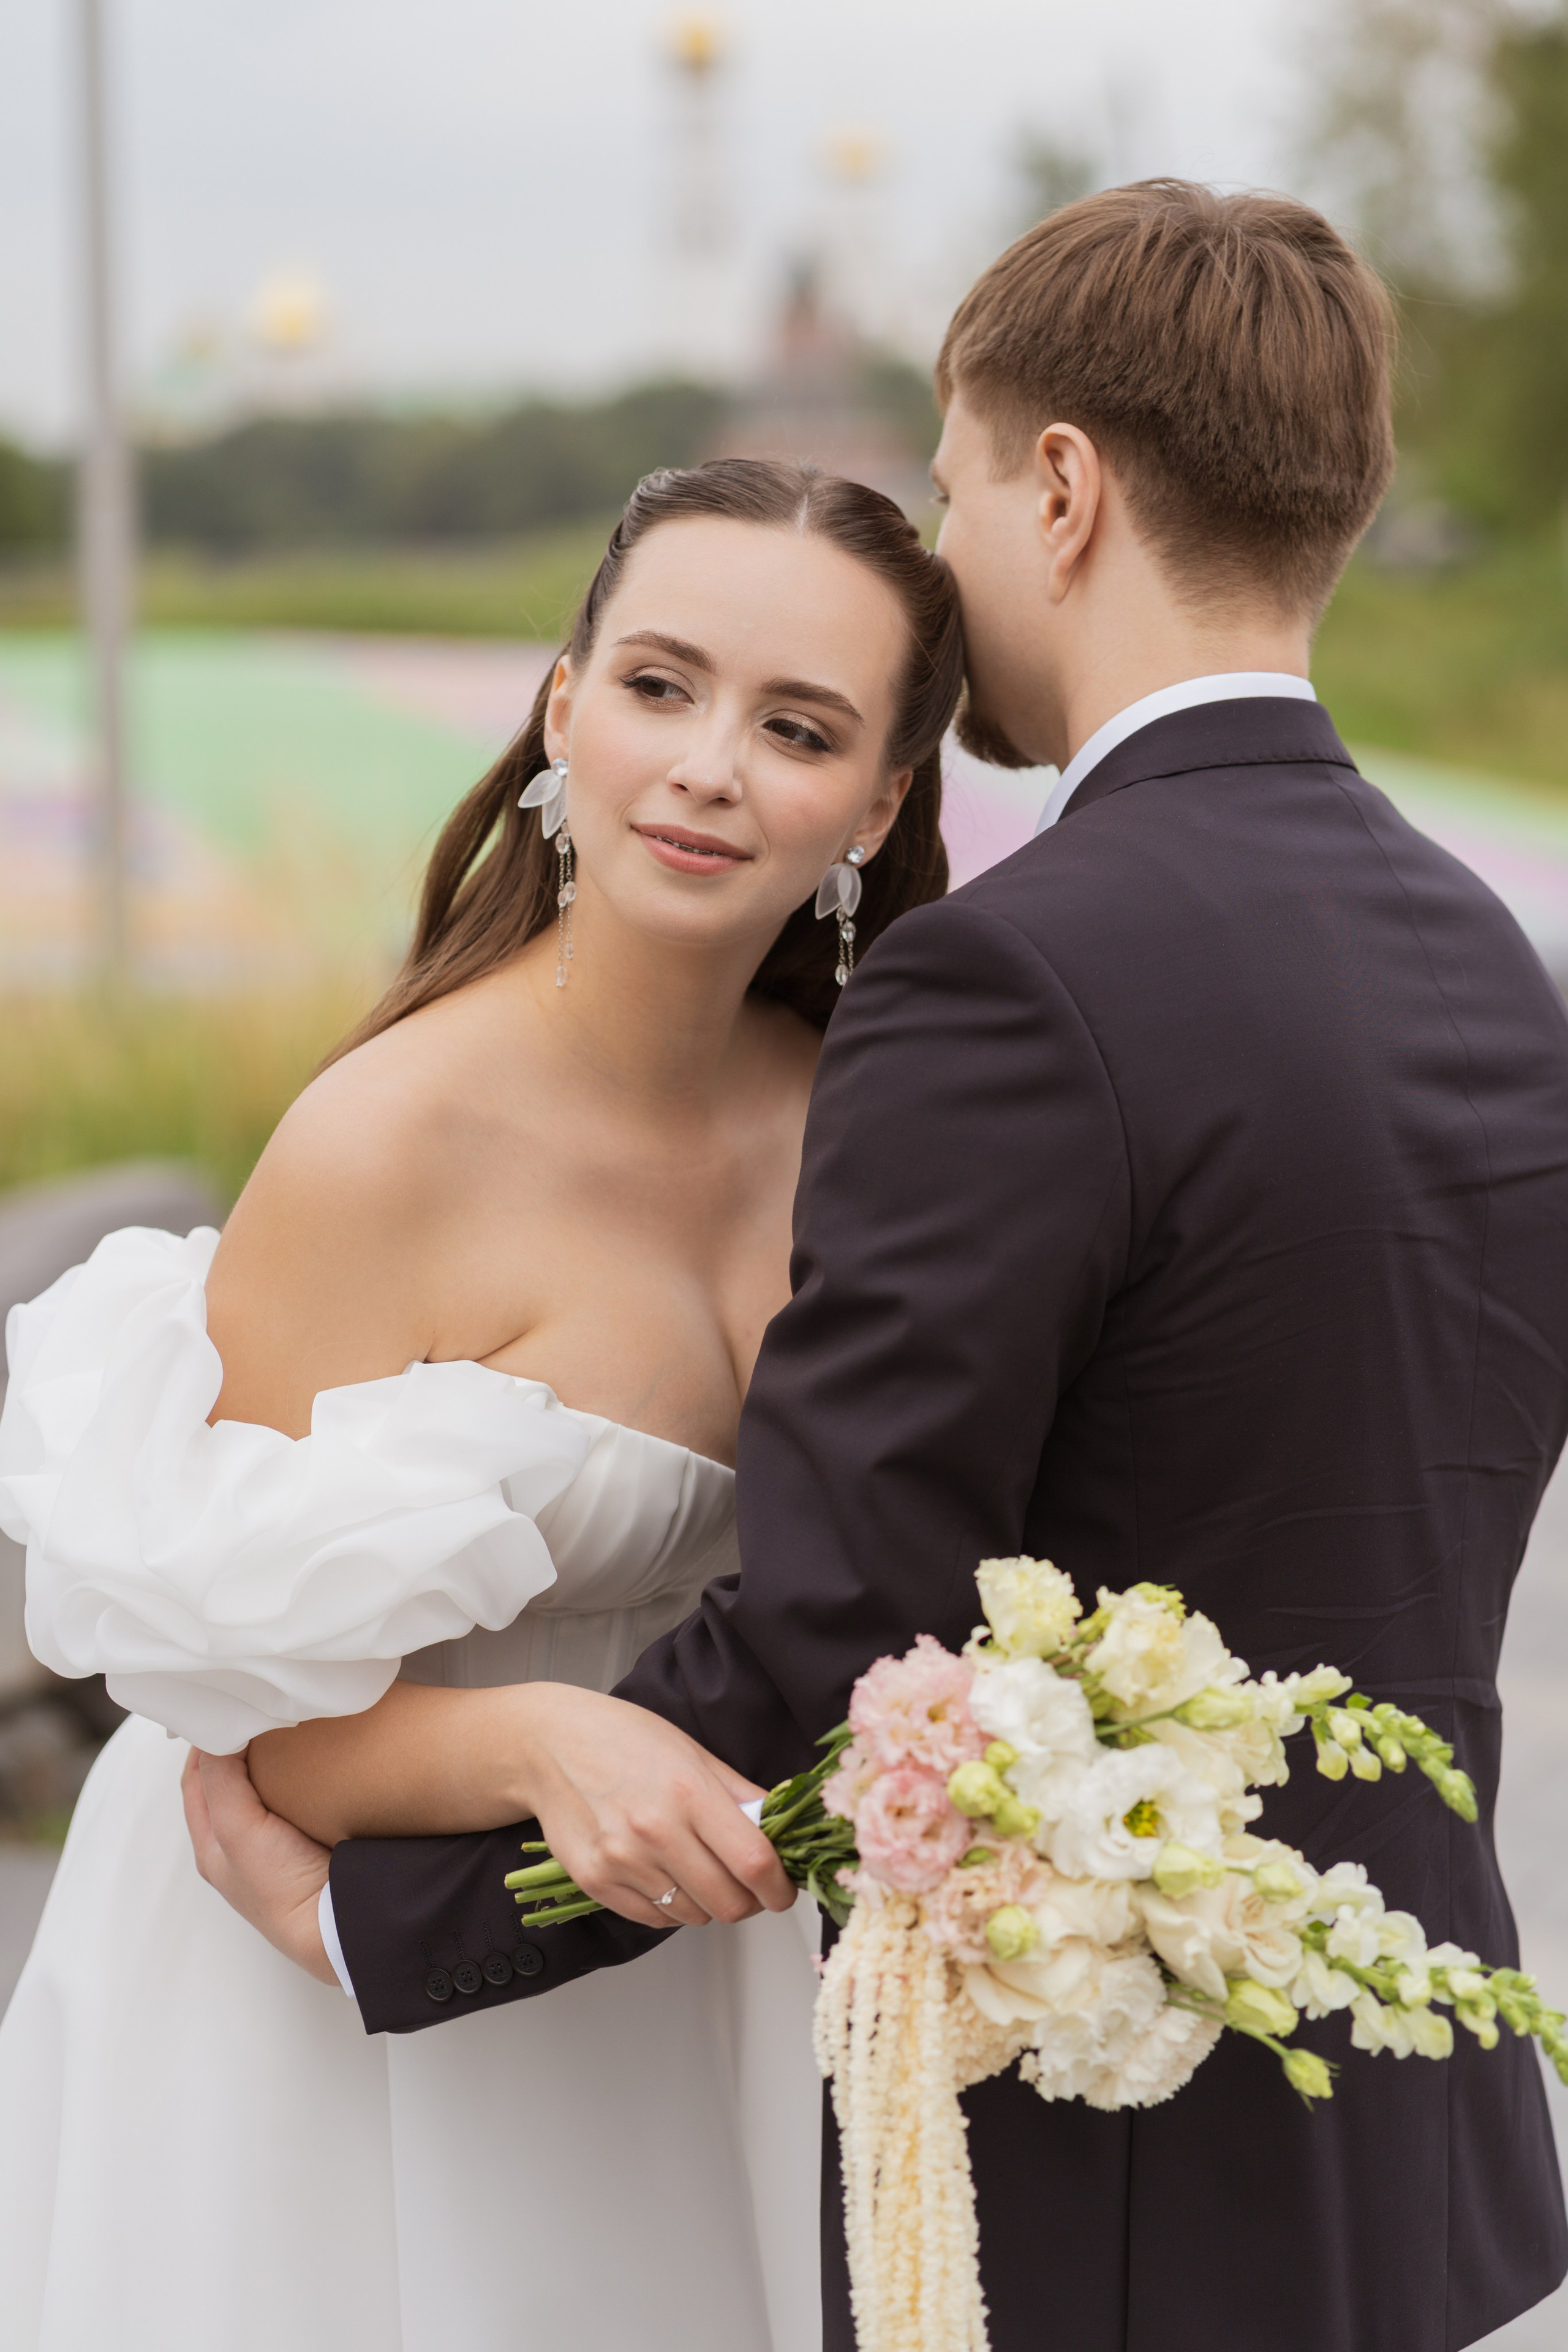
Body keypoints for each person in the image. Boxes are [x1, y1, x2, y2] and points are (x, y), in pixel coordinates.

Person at [189, 182, 1568, 2351]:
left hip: (1086, 2180)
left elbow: (852, 1627)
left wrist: (390, 1914)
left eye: (945, 485)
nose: (941, 547)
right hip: (1412, 2146)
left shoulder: (1021, 978)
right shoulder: (1490, 962)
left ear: (1063, 488)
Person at [0, 458, 965, 2352]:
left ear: (880, 801)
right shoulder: (385, 1144)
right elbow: (240, 1733)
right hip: (325, 1987)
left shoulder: (876, 1123)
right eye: (659, 685)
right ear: (560, 703)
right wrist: (540, 1745)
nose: (705, 766)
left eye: (796, 727)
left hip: (689, 1955)